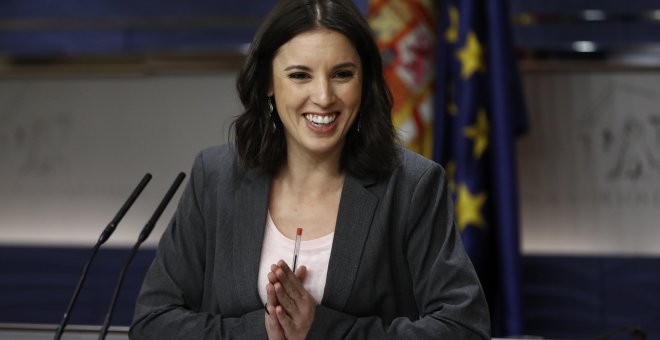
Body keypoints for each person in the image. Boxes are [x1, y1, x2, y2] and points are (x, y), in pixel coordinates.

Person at [129, 0, 490, 339]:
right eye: (300, 75)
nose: (323, 96)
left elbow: (464, 327)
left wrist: (321, 329)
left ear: (364, 83)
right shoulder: (215, 177)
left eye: (342, 74)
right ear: (269, 83)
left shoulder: (412, 185)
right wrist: (264, 331)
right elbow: (152, 322)